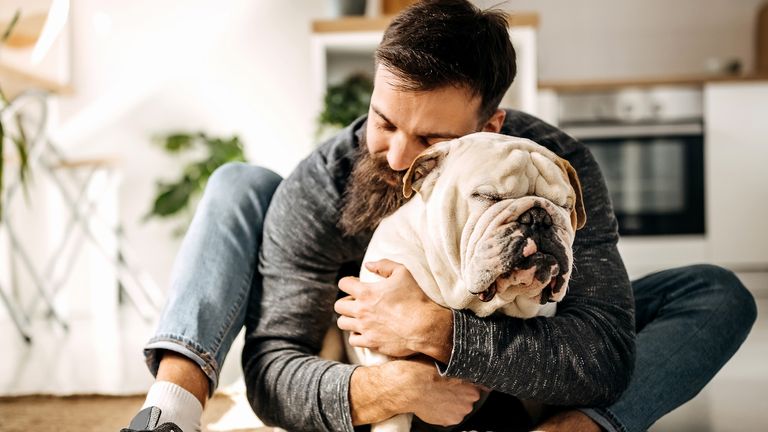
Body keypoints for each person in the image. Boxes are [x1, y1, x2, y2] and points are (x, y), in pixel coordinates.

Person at [121, 1, 757, 432]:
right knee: (240, 183)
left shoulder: (553, 170)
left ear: (490, 127)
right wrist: (391, 389)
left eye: (430, 142)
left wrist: (439, 331)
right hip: (396, 387)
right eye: (383, 120)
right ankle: (171, 406)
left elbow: (606, 354)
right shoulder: (322, 185)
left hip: (523, 376)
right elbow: (271, 369)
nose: (397, 155)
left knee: (716, 292)